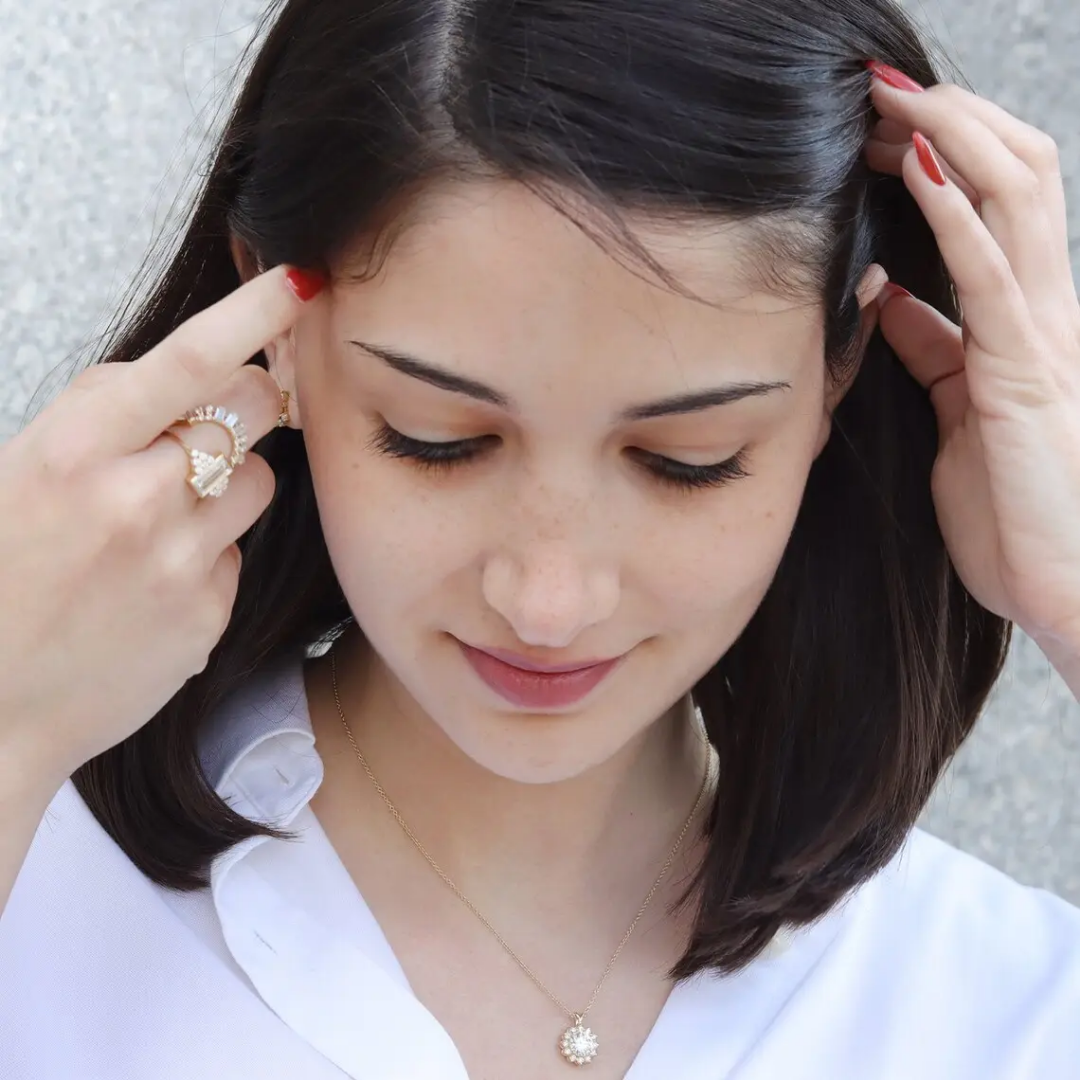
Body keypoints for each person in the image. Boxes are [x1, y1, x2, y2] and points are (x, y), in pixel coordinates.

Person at [2, 0, 1080, 1075]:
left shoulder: (999, 1008)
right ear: (274, 325)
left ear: (836, 375)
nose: (547, 601)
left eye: (687, 459)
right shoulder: (46, 878)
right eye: (437, 441)